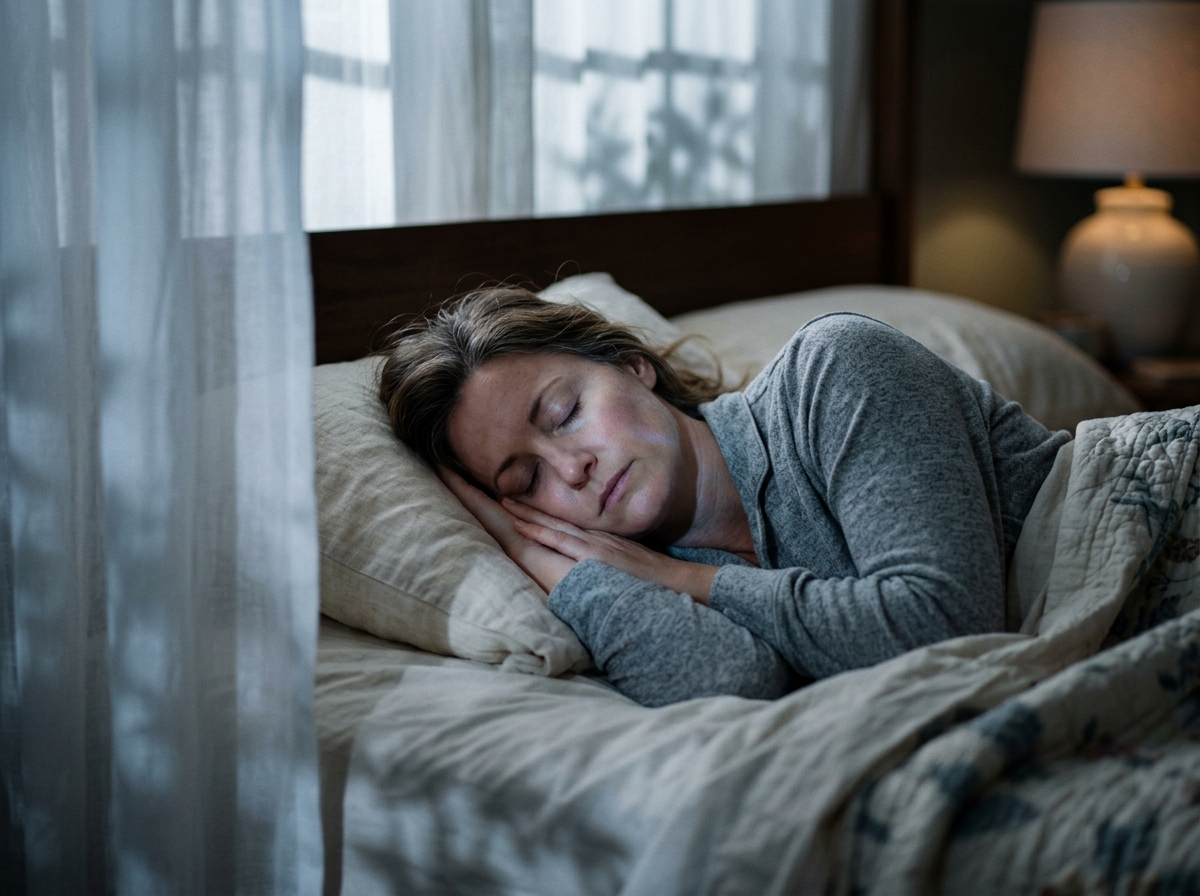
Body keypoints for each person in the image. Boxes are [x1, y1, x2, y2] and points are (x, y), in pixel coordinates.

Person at [378, 287, 1070, 707]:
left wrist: (686, 579)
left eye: (565, 414)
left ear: (633, 366)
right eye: (526, 483)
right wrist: (539, 553)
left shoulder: (833, 369)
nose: (573, 467)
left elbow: (947, 630)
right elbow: (734, 684)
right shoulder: (647, 587)